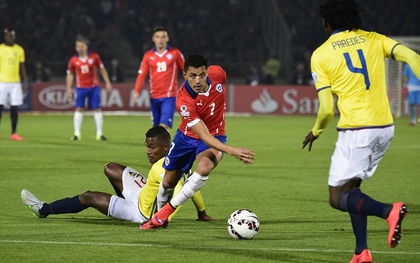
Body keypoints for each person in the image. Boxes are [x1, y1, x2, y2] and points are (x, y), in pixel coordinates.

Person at [301, 0, 420, 262]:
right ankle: (361, 251)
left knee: (336, 197)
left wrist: (317, 131)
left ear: (327, 22)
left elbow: (325, 109)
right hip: (385, 128)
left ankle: (389, 211)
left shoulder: (321, 54)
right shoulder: (374, 39)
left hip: (357, 130)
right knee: (353, 188)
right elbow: (413, 56)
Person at [140, 54, 255, 230]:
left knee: (204, 168)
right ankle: (158, 215)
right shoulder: (184, 100)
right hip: (186, 138)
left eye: (202, 75)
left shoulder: (219, 74)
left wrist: (224, 147)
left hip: (215, 136)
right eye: (193, 76)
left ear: (208, 72)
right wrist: (231, 150)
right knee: (168, 183)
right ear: (185, 75)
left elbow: (209, 138)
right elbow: (202, 135)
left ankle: (164, 214)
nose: (198, 80)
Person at [21, 126, 214, 224]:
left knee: (88, 196)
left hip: (141, 214)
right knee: (110, 168)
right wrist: (202, 213)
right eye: (146, 147)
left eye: (152, 147)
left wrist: (160, 219)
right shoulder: (179, 160)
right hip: (143, 195)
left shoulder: (161, 169)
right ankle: (119, 201)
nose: (148, 151)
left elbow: (183, 189)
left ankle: (42, 209)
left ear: (165, 147)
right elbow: (192, 187)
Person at [132, 26, 184, 130]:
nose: (160, 40)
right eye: (158, 37)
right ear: (153, 39)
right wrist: (137, 91)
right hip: (154, 96)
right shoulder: (148, 56)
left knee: (163, 126)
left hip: (169, 96)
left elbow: (186, 71)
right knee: (156, 129)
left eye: (163, 37)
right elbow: (142, 75)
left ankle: (165, 145)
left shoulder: (175, 53)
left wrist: (190, 89)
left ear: (167, 39)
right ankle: (163, 145)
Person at [66, 36, 112, 141]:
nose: (80, 48)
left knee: (96, 109)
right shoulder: (73, 60)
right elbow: (70, 74)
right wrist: (68, 88)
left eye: (82, 46)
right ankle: (77, 134)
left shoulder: (94, 57)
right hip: (80, 88)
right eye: (78, 46)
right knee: (79, 109)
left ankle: (99, 134)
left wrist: (107, 82)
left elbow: (102, 69)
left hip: (93, 87)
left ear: (86, 46)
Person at [0, 28, 28, 141]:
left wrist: (25, 81)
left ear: (14, 37)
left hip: (15, 82)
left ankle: (14, 133)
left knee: (14, 108)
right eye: (7, 36)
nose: (9, 38)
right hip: (1, 82)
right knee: (0, 107)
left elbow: (22, 66)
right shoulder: (0, 49)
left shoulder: (19, 50)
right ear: (4, 37)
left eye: (11, 36)